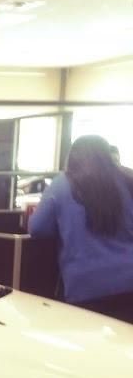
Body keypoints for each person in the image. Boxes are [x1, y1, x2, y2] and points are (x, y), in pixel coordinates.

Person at [29, 134, 133, 322]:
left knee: (85, 339)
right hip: (128, 283)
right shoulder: (127, 181)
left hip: (85, 287)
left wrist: (66, 224)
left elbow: (37, 228)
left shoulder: (62, 184)